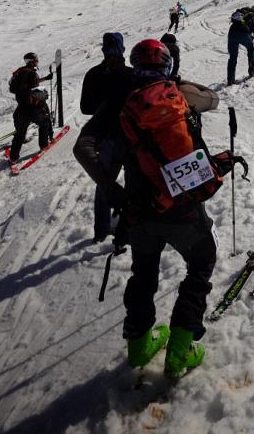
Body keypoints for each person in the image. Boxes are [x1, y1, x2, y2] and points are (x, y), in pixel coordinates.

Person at [106, 39, 226, 379]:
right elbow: (213, 98)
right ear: (168, 64)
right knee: (201, 264)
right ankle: (180, 348)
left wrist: (114, 192)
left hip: (140, 210)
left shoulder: (123, 102)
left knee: (143, 273)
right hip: (182, 206)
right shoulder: (180, 94)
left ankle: (139, 345)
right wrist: (177, 82)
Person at [75, 33, 131, 243]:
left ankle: (102, 230)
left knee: (105, 181)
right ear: (123, 50)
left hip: (107, 135)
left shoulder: (93, 74)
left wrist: (102, 109)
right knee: (135, 180)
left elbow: (85, 107)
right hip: (131, 135)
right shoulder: (131, 74)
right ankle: (129, 227)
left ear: (103, 50)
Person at [9, 52, 54, 162]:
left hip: (21, 108)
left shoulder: (20, 72)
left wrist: (45, 78)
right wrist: (44, 96)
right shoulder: (31, 73)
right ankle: (43, 146)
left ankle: (13, 158)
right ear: (32, 61)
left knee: (20, 133)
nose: (37, 62)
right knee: (44, 123)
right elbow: (34, 90)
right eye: (36, 60)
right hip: (33, 107)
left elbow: (26, 85)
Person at [226, 10, 254, 85]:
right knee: (252, 49)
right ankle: (251, 70)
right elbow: (248, 30)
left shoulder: (233, 25)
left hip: (232, 35)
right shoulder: (245, 22)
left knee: (232, 57)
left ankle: (230, 80)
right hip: (243, 35)